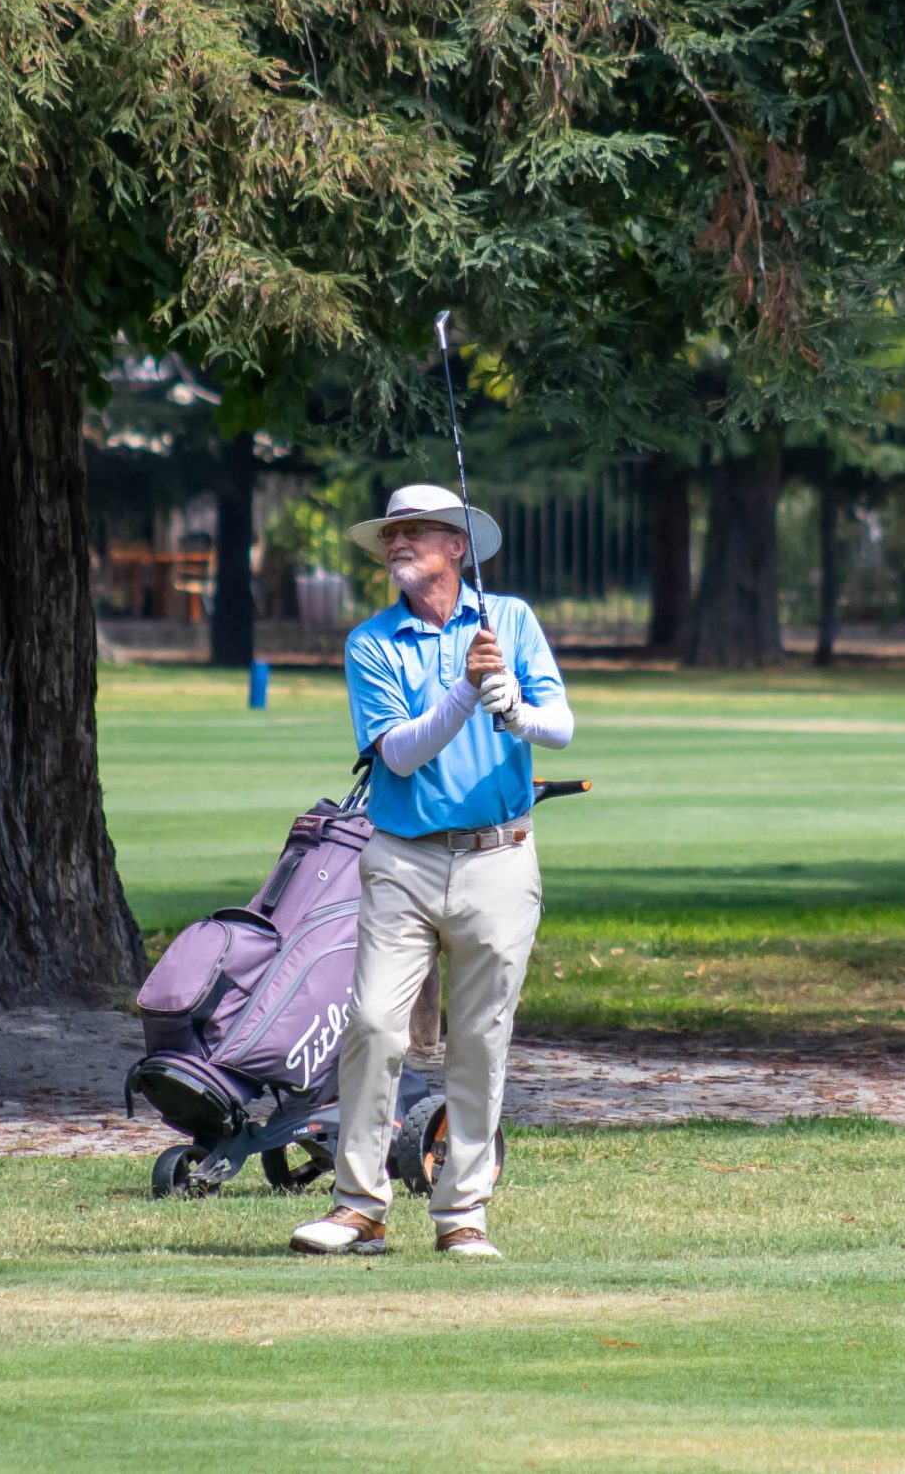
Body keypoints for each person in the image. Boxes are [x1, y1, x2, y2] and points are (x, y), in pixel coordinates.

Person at [289, 483, 574, 1259]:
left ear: (458, 546)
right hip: (403, 859)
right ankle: (359, 1207)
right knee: (374, 1023)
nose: (398, 543)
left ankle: (462, 1214)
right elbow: (400, 752)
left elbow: (560, 725)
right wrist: (465, 691)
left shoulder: (509, 620)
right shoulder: (372, 642)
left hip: (499, 857)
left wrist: (513, 708)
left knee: (480, 1038)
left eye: (415, 530)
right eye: (391, 533)